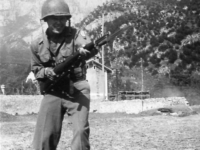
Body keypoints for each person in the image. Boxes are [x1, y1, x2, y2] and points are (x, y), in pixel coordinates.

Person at [30, 0, 98, 149]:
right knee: (43, 138)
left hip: (77, 88)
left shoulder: (76, 34)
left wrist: (84, 49)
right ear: (46, 20)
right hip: (53, 90)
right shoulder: (36, 44)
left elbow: (87, 45)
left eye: (62, 18)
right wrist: (46, 71)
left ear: (68, 19)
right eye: (54, 18)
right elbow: (36, 68)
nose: (59, 22)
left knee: (80, 133)